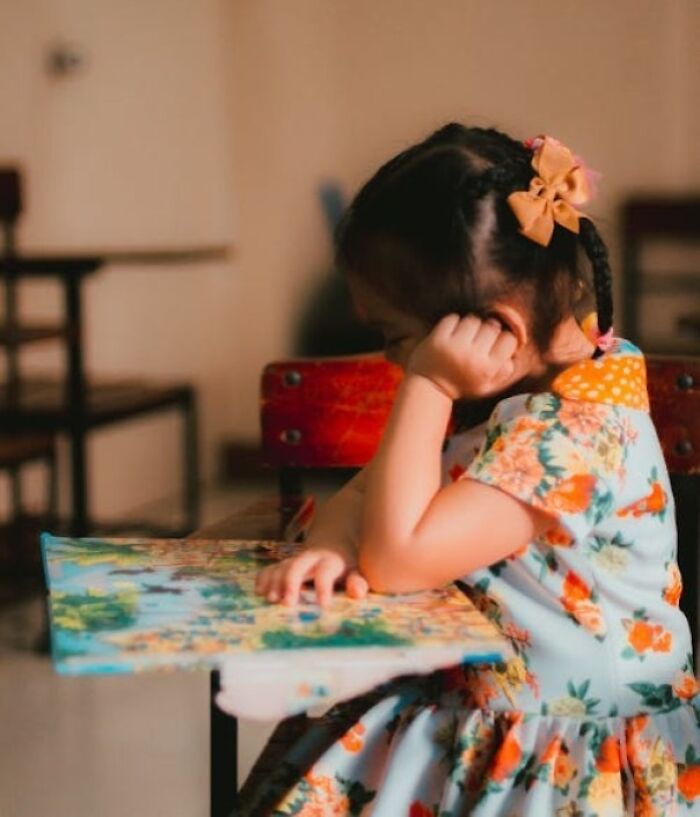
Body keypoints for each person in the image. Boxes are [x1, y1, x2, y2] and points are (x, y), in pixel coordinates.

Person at [248, 124, 700, 816]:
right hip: (479, 716)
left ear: (496, 331)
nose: (392, 361)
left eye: (396, 337)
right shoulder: (522, 391)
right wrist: (333, 544)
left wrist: (428, 383)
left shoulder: (572, 436)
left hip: (569, 761)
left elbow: (397, 559)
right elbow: (367, 490)